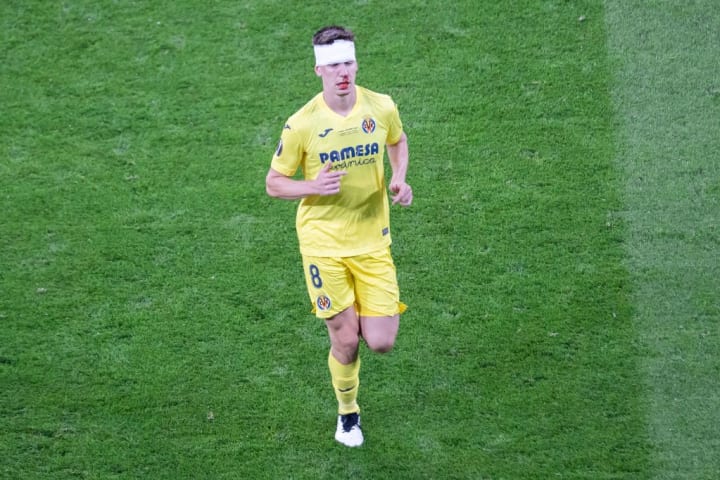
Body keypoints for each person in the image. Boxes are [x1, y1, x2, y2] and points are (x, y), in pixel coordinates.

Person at [266, 25, 412, 447]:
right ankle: (348, 413)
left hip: (372, 241)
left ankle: (358, 322)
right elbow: (274, 184)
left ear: (356, 63)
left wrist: (399, 179)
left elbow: (398, 141)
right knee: (346, 340)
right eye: (333, 66)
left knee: (381, 342)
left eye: (347, 62)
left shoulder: (381, 107)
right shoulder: (302, 124)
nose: (342, 72)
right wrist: (312, 186)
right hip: (323, 245)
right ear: (318, 70)